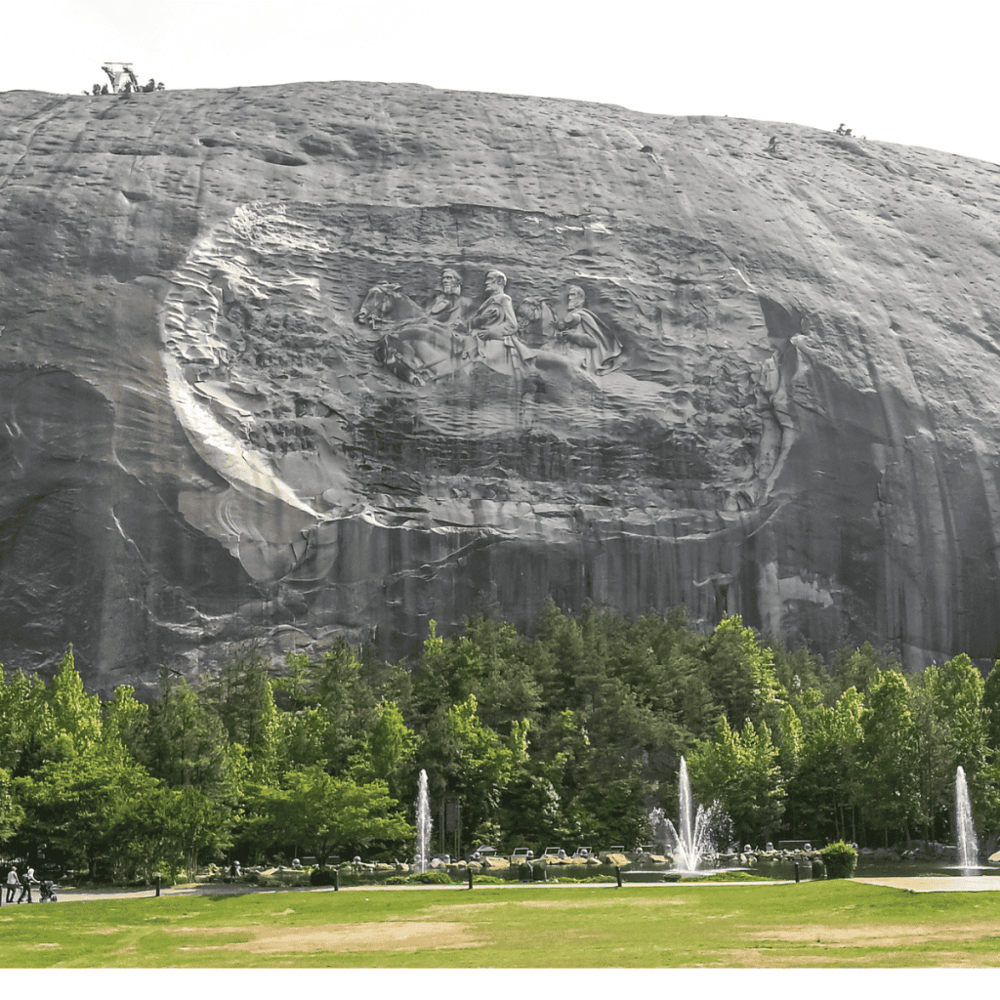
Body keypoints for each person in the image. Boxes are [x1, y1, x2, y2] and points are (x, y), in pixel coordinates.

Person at [553, 284, 622, 374]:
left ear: (580, 297)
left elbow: (593, 341)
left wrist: (573, 336)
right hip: (565, 352)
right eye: (569, 295)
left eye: (573, 295)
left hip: (580, 358)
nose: (570, 298)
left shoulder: (584, 316)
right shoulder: (571, 316)